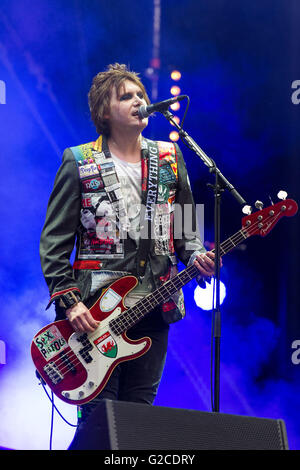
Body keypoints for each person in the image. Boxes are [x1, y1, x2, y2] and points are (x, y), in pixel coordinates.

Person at [39, 63, 218, 444]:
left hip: (156, 306)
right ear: (105, 112)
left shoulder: (171, 156)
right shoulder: (78, 160)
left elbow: (186, 232)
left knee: (138, 424)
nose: (139, 100)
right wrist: (70, 302)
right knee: (100, 425)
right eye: (126, 96)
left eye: (140, 94)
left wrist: (197, 255)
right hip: (93, 314)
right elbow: (54, 244)